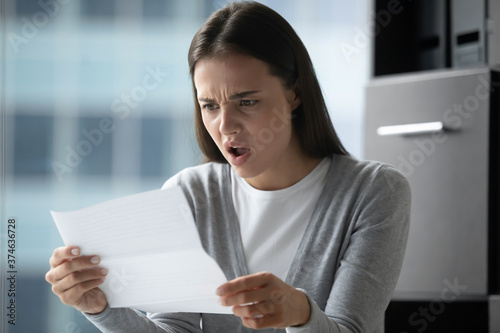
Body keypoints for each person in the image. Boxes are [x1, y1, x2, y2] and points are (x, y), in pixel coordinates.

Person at [45, 2, 411, 332]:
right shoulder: (188, 193)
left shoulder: (373, 192)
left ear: (295, 93)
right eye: (209, 106)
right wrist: (101, 309)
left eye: (246, 101)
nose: (226, 126)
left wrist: (301, 313)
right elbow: (175, 328)